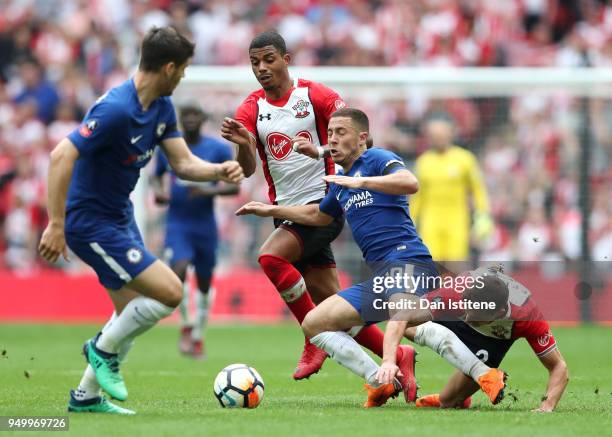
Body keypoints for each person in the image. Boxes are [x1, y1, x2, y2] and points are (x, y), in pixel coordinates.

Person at [236, 108, 507, 408]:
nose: (333, 139)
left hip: (409, 260)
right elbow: (318, 215)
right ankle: (379, 382)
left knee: (400, 314)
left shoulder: (376, 160)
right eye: (330, 134)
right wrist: (270, 210)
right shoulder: (340, 182)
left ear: (362, 138)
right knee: (314, 323)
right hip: (381, 274)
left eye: (341, 133)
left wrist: (362, 183)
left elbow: (410, 182)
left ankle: (485, 375)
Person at [38, 27, 243, 415]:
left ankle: (86, 397)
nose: (183, 77)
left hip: (120, 217)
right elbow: (61, 156)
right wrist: (55, 223)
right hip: (90, 222)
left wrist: (219, 169)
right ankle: (99, 348)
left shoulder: (162, 108)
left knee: (127, 313)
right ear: (168, 68)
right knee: (170, 292)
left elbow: (182, 164)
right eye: (182, 69)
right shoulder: (116, 110)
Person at [222, 31, 398, 381]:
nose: (261, 68)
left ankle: (313, 338)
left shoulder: (315, 95)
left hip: (324, 204)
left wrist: (321, 151)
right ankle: (400, 360)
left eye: (269, 59)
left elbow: (363, 140)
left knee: (270, 258)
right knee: (334, 307)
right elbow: (246, 168)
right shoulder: (251, 108)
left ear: (286, 60)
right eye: (255, 62)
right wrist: (244, 144)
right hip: (289, 213)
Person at [408, 266, 568, 412]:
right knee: (406, 324)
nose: (468, 319)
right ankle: (481, 374)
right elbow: (402, 318)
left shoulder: (527, 315)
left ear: (498, 313)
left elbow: (558, 366)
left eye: (475, 316)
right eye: (468, 310)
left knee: (447, 402)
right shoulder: (458, 290)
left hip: (492, 341)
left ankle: (461, 395)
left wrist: (547, 406)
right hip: (456, 314)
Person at [152, 101, 238, 359]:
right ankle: (187, 326)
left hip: (205, 226)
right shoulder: (168, 148)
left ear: (203, 118)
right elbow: (156, 176)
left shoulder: (217, 148)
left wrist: (207, 190)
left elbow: (234, 186)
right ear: (179, 118)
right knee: (177, 271)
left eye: (194, 114)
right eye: (185, 115)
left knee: (203, 284)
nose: (189, 119)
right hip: (177, 223)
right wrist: (159, 193)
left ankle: (198, 333)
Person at [409, 118, 493, 262]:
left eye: (441, 134)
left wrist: (483, 215)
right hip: (431, 221)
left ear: (451, 134)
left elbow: (478, 189)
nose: (438, 138)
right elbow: (417, 196)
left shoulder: (465, 159)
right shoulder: (423, 163)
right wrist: (411, 220)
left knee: (456, 264)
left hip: (457, 220)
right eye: (434, 135)